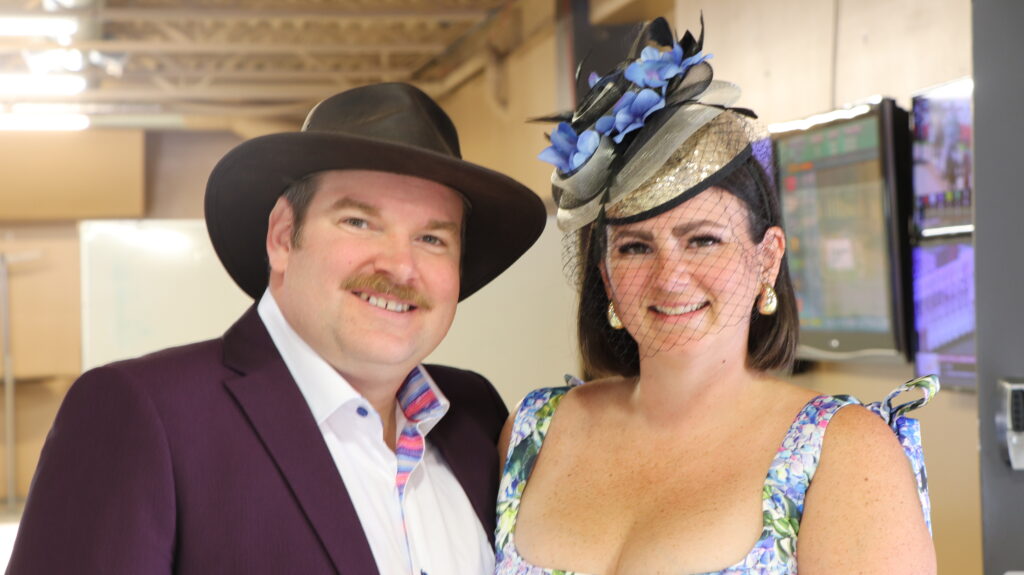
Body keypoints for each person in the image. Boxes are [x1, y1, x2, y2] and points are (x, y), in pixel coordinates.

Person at [8, 82, 546, 574]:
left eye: (432, 239)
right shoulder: (142, 415)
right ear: (284, 236)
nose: (401, 267)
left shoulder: (478, 419)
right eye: (359, 222)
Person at [496, 18, 938, 574]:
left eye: (703, 240)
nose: (669, 277)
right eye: (635, 247)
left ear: (767, 258)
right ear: (605, 277)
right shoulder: (532, 432)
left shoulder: (843, 452)